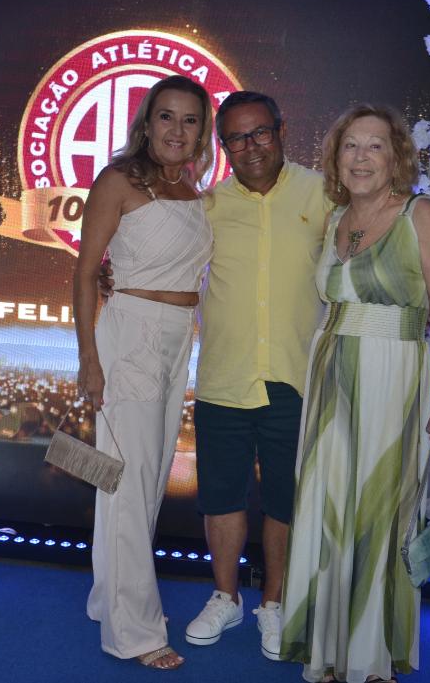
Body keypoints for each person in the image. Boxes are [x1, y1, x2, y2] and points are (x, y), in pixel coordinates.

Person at [279, 104, 430, 683]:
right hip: (331, 377)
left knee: (380, 511)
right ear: (336, 157)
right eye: (350, 146)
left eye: (375, 146)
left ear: (396, 158)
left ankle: (371, 661)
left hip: (392, 376)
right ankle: (329, 652)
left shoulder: (419, 214)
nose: (361, 157)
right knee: (328, 507)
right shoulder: (336, 218)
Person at [180, 92, 333, 660]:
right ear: (223, 146)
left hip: (295, 378)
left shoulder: (323, 194)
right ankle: (225, 597)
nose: (251, 146)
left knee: (284, 501)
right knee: (221, 497)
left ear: (282, 130)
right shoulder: (208, 205)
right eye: (237, 138)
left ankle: (273, 603)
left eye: (260, 132)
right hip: (225, 375)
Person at [74, 74, 215, 671]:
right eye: (166, 116)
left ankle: (108, 597)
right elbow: (85, 273)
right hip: (131, 332)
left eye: (190, 119)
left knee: (146, 480)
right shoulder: (118, 181)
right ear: (147, 122)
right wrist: (89, 359)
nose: (177, 129)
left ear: (202, 132)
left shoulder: (194, 190)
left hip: (178, 337)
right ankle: (134, 632)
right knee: (128, 484)